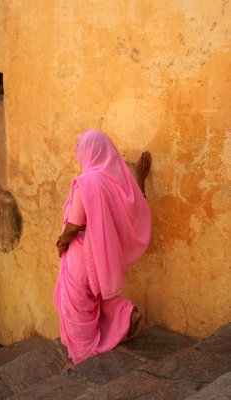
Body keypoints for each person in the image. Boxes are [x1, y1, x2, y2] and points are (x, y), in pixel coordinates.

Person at [54, 130, 151, 365]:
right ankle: (128, 314)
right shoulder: (115, 183)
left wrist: (62, 241)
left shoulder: (85, 184)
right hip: (103, 257)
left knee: (79, 306)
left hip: (81, 255)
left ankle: (85, 354)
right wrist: (140, 177)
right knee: (95, 296)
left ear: (89, 153)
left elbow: (75, 224)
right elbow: (137, 207)